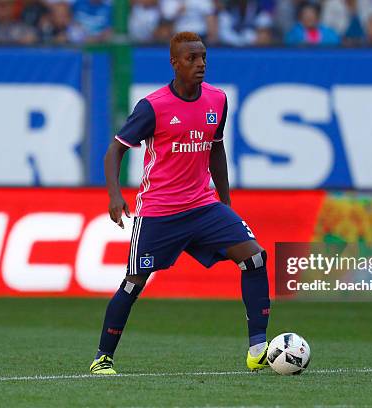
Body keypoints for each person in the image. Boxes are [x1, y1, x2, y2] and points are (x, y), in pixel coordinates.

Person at [89, 31, 271, 375]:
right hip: (160, 212)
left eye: (203, 57)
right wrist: (115, 195)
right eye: (192, 58)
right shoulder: (153, 106)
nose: (200, 63)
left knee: (255, 258)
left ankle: (258, 349)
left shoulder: (217, 100)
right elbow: (115, 151)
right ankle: (103, 357)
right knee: (134, 282)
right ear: (175, 63)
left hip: (204, 205)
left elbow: (215, 148)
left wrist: (226, 201)